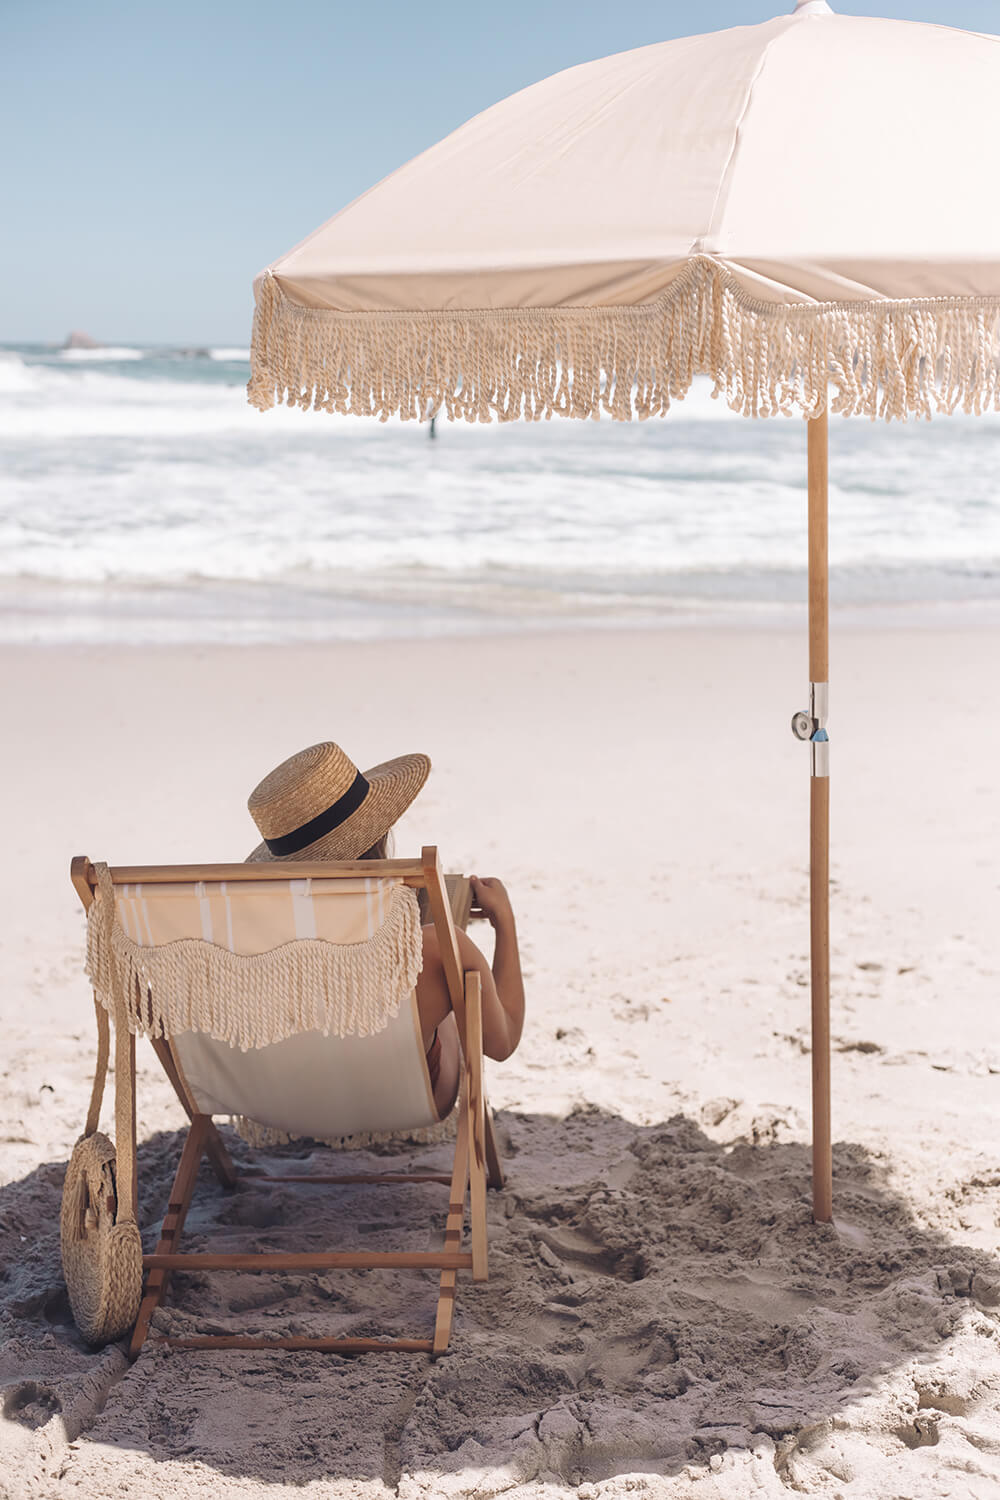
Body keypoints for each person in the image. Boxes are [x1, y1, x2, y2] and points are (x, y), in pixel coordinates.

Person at [245, 740, 525, 1115]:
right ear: (379, 835)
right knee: (446, 984)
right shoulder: (434, 948)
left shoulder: (242, 941)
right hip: (405, 1099)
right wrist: (504, 922)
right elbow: (502, 1043)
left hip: (285, 1101)